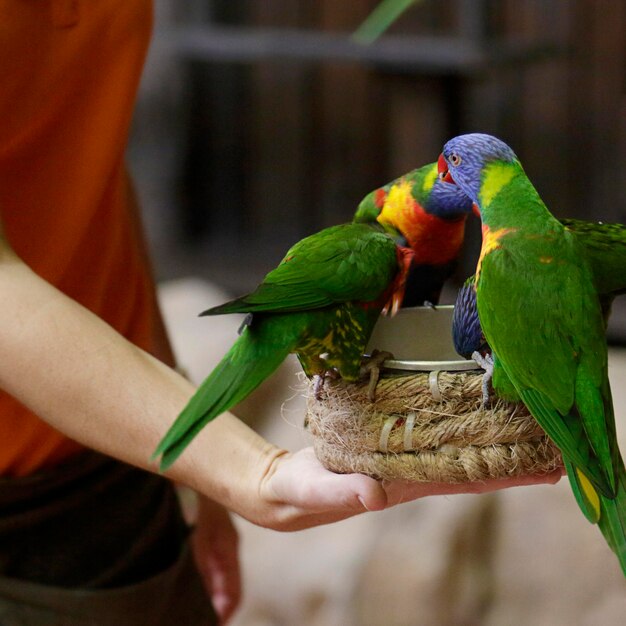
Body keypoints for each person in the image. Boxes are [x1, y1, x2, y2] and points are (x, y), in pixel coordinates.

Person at [0, 2, 561, 624]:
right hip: (25, 488)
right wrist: (242, 466)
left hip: (130, 450)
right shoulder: (381, 231)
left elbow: (87, 161)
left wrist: (190, 458)